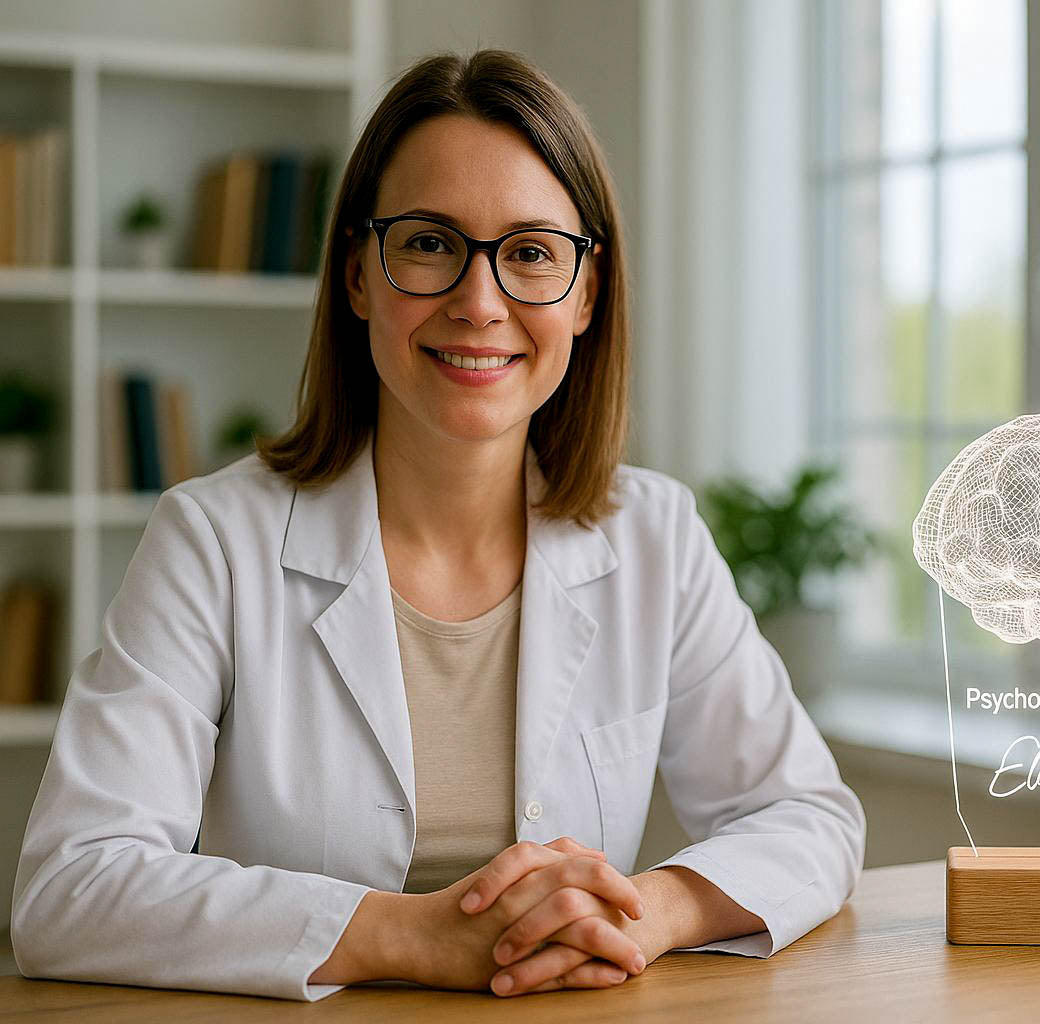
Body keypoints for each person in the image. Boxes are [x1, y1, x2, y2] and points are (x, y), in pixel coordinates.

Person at [9, 49, 865, 1002]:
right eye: (429, 243)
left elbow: (808, 815)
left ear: (585, 294)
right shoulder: (213, 540)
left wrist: (646, 910)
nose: (480, 301)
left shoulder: (655, 535)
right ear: (358, 277)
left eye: (533, 252)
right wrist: (409, 937)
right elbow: (69, 887)